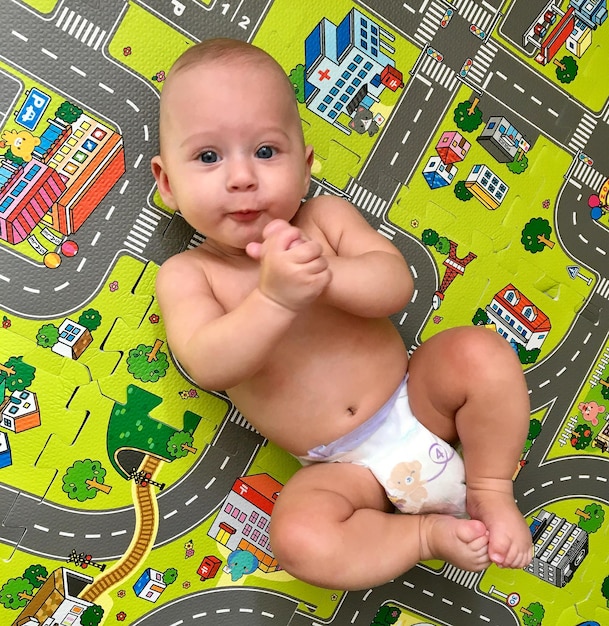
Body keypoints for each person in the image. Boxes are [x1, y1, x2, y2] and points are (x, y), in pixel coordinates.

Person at [151, 38, 533, 591]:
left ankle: (492, 490)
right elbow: (209, 362)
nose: (241, 177)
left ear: (304, 169)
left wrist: (327, 274)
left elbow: (394, 284)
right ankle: (424, 537)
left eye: (265, 152)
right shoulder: (190, 275)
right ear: (168, 183)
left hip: (416, 396)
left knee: (480, 352)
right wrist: (274, 299)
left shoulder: (324, 219)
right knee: (300, 540)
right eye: (208, 157)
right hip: (340, 470)